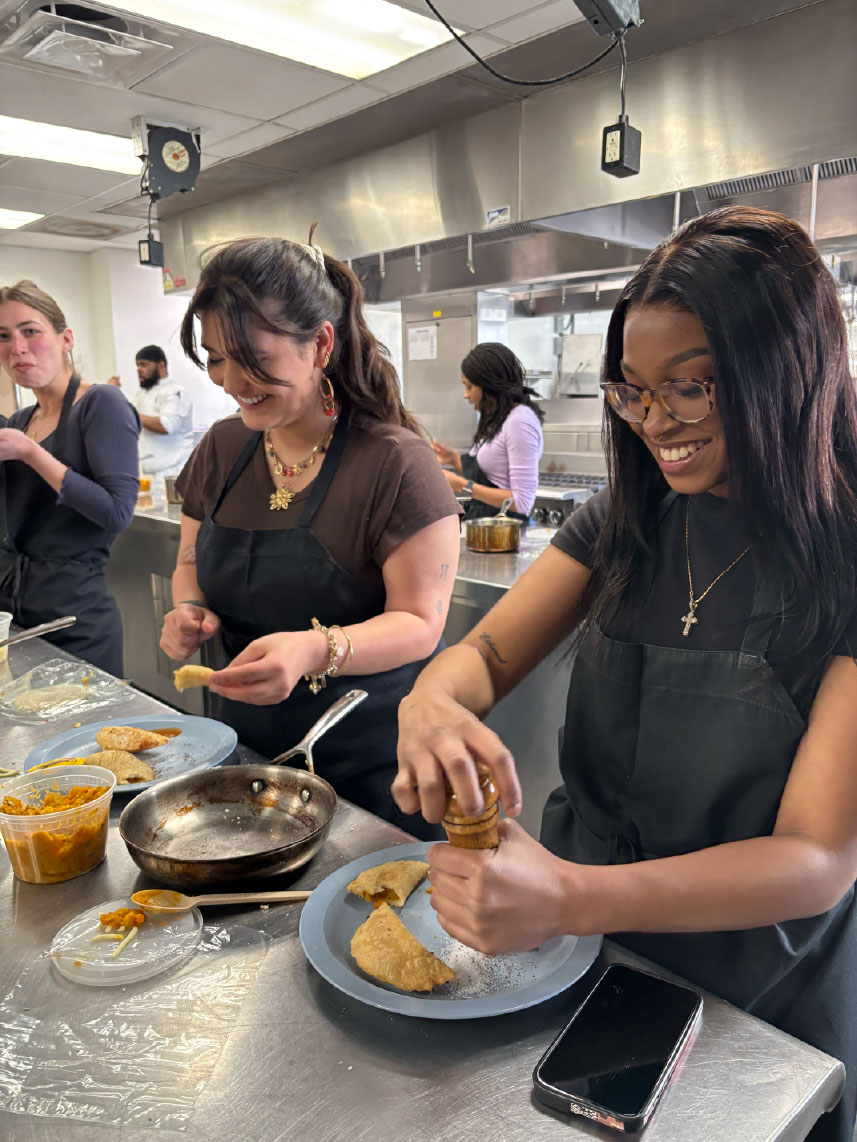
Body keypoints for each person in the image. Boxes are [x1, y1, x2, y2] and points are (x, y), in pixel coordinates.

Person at [394, 207, 857, 1142]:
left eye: (688, 388)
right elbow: (482, 656)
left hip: (754, 982)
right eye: (633, 392)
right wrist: (431, 700)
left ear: (786, 371)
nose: (654, 424)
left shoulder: (843, 552)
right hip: (580, 951)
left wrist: (569, 896)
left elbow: (816, 857)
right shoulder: (623, 517)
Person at [159, 235, 461, 836]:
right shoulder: (222, 446)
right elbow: (189, 561)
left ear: (321, 343)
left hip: (372, 765)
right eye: (216, 358)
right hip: (244, 756)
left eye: (251, 357)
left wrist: (314, 649)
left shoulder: (395, 462)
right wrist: (188, 607)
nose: (230, 381)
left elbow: (420, 622)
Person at [0, 280, 140, 674]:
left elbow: (116, 513)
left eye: (30, 331)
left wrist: (32, 453)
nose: (17, 348)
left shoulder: (101, 404)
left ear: (66, 339)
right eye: (3, 336)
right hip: (16, 618)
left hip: (75, 624)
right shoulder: (19, 421)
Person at [432, 343, 544, 520]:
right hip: (485, 527)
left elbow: (522, 502)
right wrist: (453, 459)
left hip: (506, 530)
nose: (466, 395)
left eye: (469, 387)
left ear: (489, 386)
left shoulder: (520, 421)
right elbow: (492, 473)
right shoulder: (497, 417)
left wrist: (462, 485)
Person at [108, 345, 193, 477]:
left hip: (174, 473)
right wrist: (112, 394)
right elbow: (127, 422)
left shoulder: (175, 392)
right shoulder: (139, 396)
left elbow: (167, 426)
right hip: (147, 474)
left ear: (161, 366)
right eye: (137, 365)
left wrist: (127, 411)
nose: (139, 370)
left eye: (144, 364)